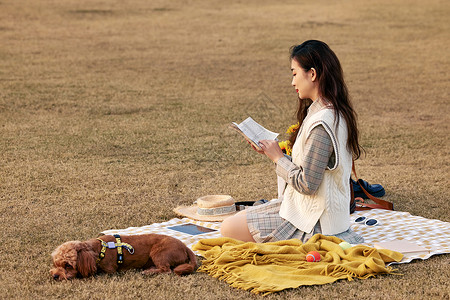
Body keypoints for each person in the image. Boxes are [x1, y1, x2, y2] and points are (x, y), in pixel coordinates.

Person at [220, 40, 364, 244]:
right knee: (233, 222)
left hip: (315, 222)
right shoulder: (331, 111)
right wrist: (273, 154)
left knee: (228, 228)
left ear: (312, 74)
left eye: (295, 73)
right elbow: (316, 168)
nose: (292, 82)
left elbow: (307, 184)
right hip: (314, 212)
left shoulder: (322, 122)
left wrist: (279, 158)